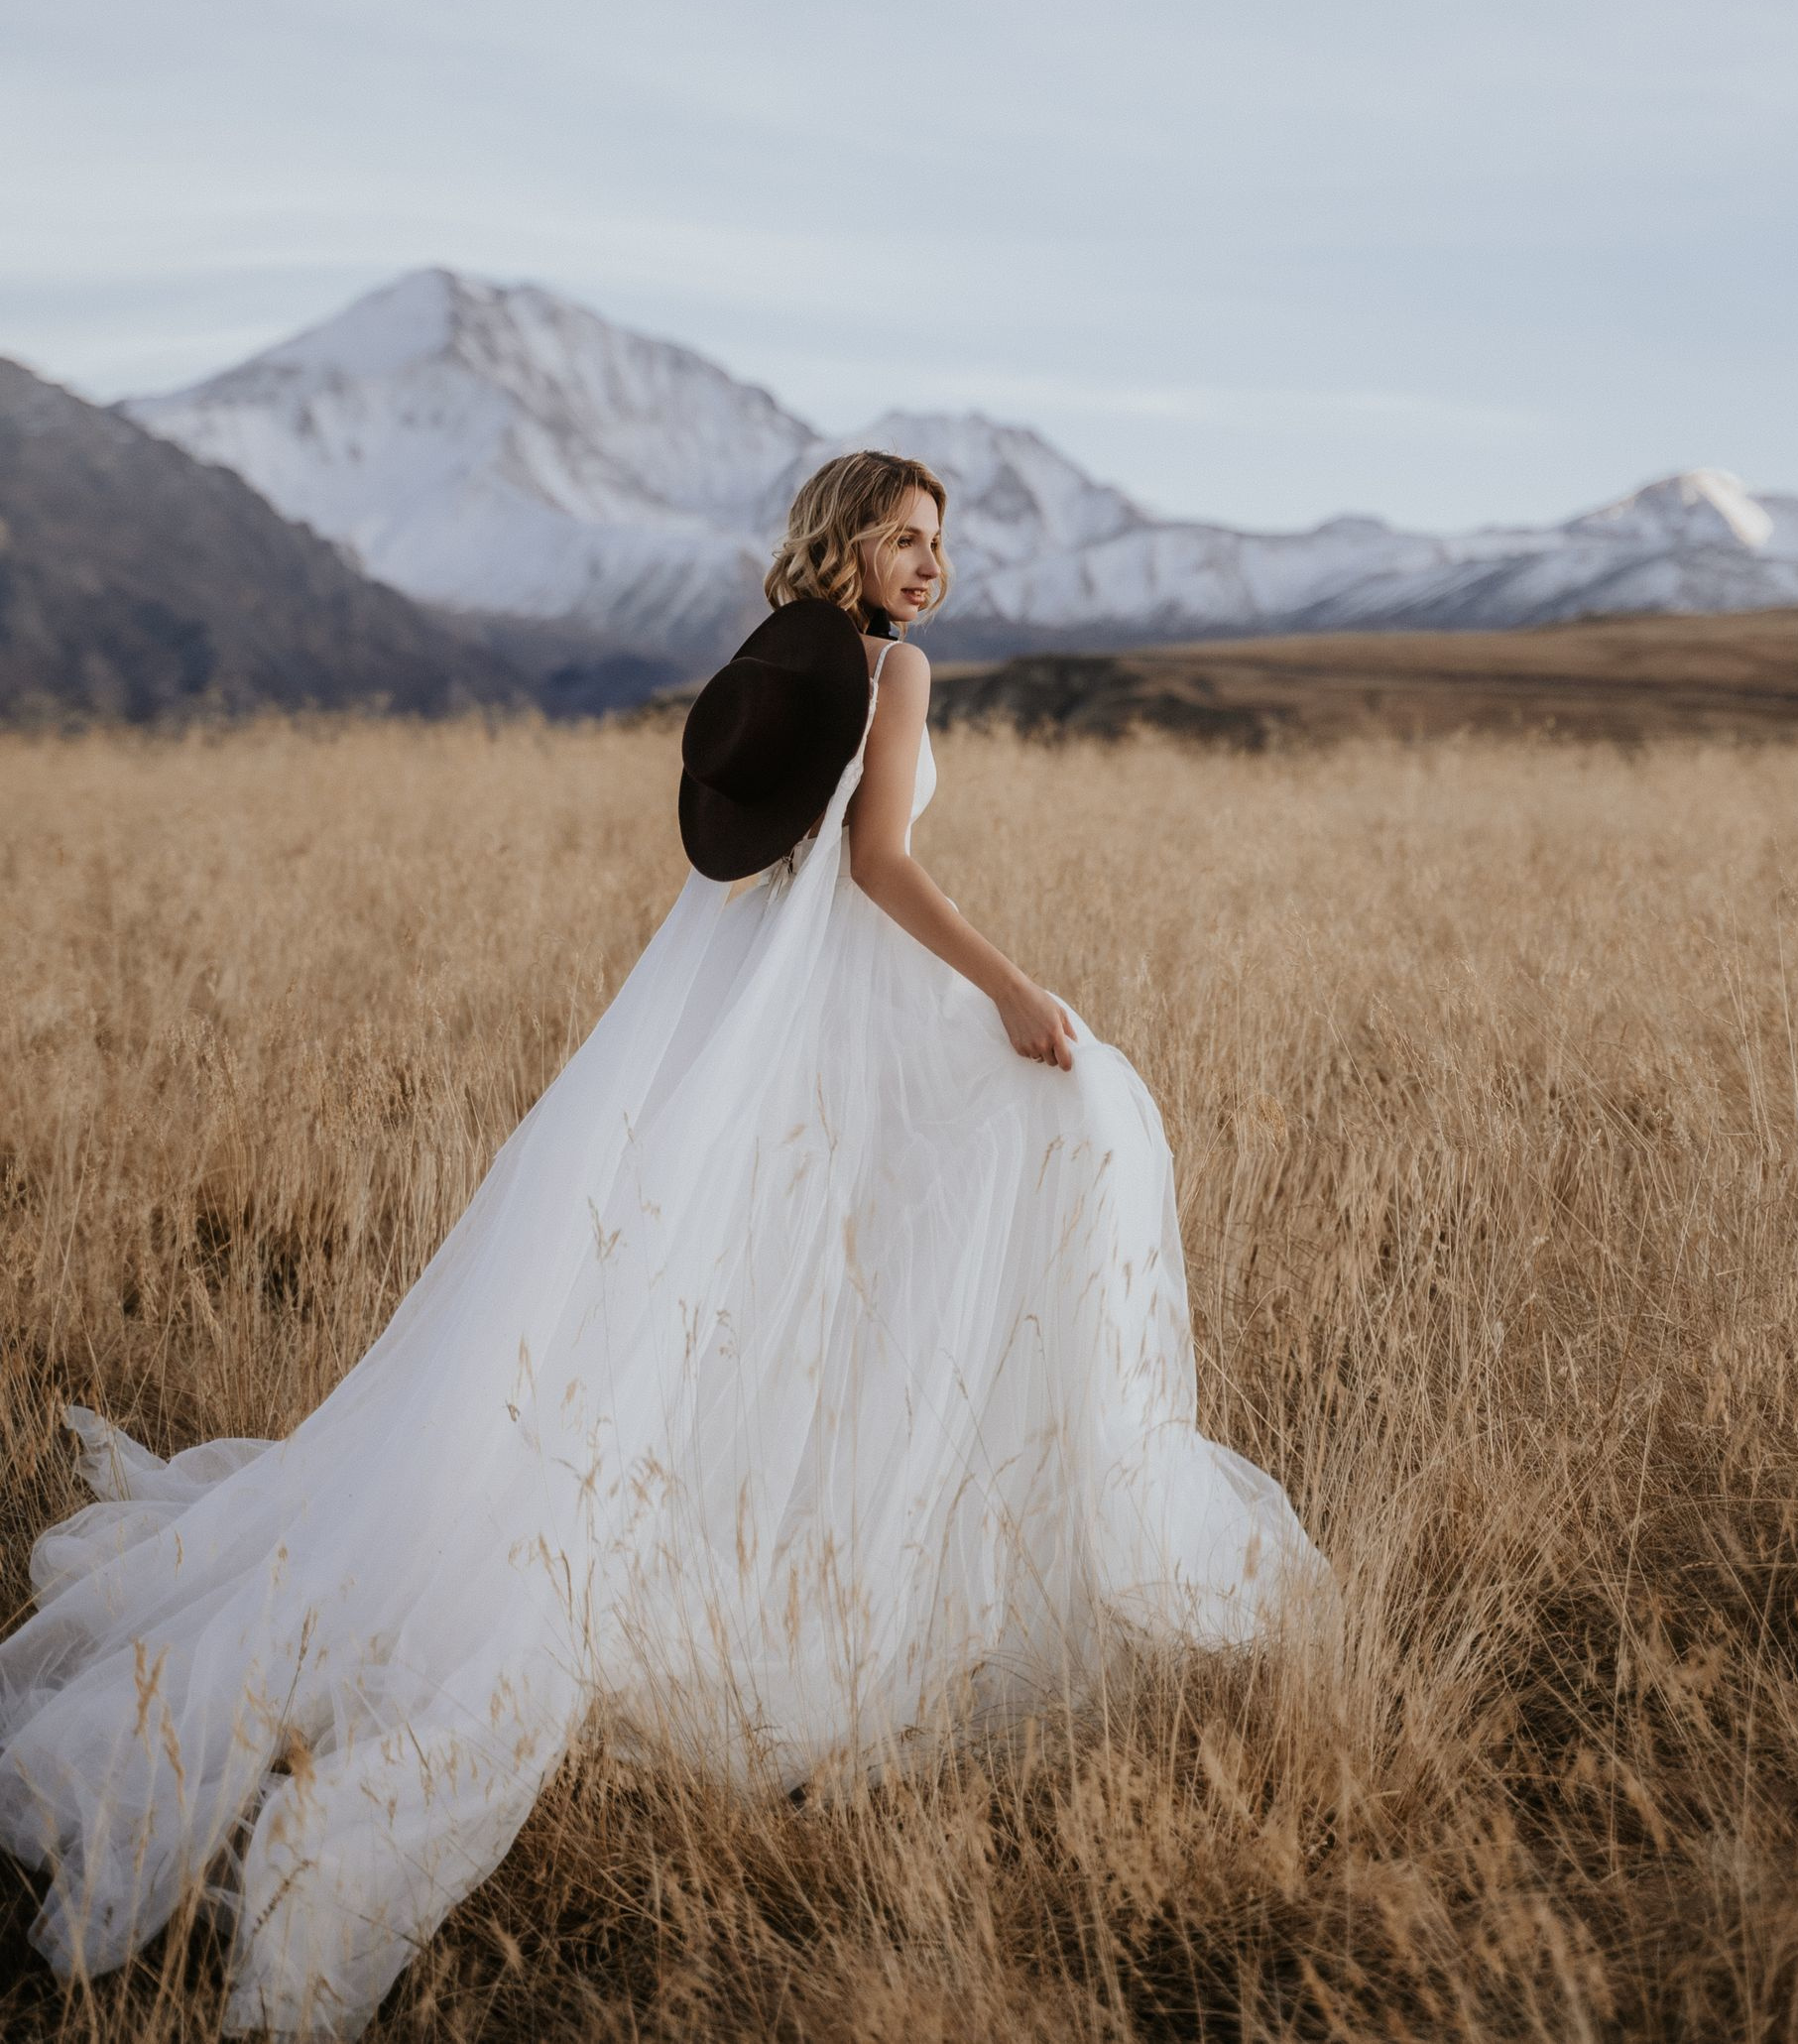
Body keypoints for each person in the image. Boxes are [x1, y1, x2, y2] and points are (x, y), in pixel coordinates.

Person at [0, 449, 1323, 2037]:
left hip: (759, 1024)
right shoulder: (888, 675)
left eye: (938, 543)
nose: (928, 567)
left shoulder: (790, 671)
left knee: (711, 1291)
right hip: (850, 1019)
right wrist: (1017, 994)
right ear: (845, 549)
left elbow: (779, 866)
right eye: (902, 540)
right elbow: (881, 864)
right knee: (1063, 1134)